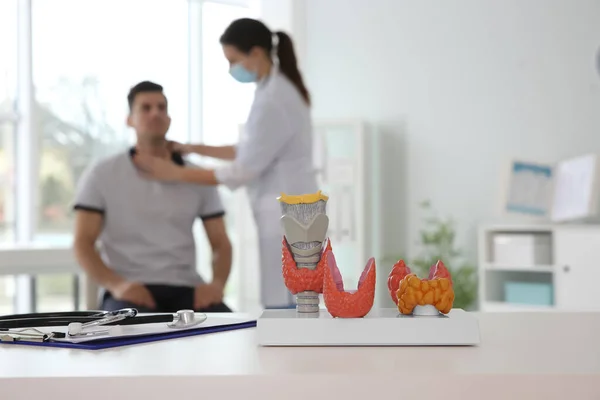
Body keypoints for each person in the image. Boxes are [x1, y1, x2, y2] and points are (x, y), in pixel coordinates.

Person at [132, 18, 318, 309]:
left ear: (256, 53)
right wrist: (192, 148)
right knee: (288, 296)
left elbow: (243, 169)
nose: (232, 69)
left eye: (233, 60)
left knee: (289, 299)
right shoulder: (272, 90)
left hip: (288, 212)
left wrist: (176, 173)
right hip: (290, 210)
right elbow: (247, 150)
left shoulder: (274, 99)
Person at [72, 81, 233, 313]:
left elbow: (221, 243)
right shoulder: (102, 174)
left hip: (187, 289)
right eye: (145, 108)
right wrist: (117, 285)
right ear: (130, 119)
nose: (155, 113)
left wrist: (216, 285)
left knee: (236, 330)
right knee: (131, 334)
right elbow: (82, 242)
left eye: (162, 107)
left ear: (169, 117)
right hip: (130, 290)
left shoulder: (195, 176)